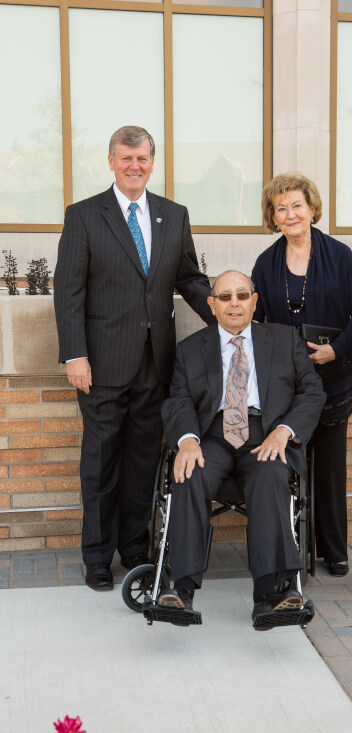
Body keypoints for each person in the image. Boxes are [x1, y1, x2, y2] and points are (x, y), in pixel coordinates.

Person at [54, 125, 214, 592]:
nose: (134, 166)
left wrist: (227, 315)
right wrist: (75, 354)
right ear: (110, 161)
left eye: (142, 158)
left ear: (152, 161)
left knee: (144, 459)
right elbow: (69, 292)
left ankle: (135, 546)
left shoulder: (172, 213)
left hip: (155, 362)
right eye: (126, 158)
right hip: (101, 364)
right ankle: (98, 556)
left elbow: (189, 278)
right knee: (101, 460)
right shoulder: (84, 215)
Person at [159, 270, 326, 627]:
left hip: (266, 435)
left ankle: (272, 594)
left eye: (241, 295)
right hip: (212, 437)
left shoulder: (284, 340)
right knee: (188, 472)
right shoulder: (191, 349)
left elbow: (312, 392)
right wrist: (187, 440)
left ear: (253, 300)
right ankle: (180, 589)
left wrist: (284, 431)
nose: (234, 303)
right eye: (225, 297)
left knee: (269, 477)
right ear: (212, 304)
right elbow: (177, 400)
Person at [251, 173, 352, 577]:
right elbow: (256, 322)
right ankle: (290, 546)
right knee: (289, 462)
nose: (290, 214)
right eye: (281, 208)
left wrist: (335, 348)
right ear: (273, 217)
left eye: (297, 205)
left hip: (333, 376)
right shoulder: (265, 262)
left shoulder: (341, 255)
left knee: (330, 467)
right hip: (287, 383)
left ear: (312, 208)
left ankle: (334, 551)